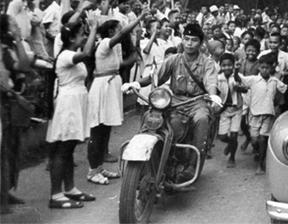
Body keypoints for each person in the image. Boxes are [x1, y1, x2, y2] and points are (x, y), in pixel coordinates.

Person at [128, 23, 219, 183]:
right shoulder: (174, 59)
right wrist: (137, 83)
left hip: (197, 101)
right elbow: (156, 76)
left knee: (202, 119)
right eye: (187, 39)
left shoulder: (207, 63)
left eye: (194, 40)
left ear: (201, 43)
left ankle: (192, 165)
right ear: (182, 40)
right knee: (167, 124)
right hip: (175, 101)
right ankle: (162, 161)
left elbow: (210, 81)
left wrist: (213, 96)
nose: (189, 43)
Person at [86, 12, 146, 185]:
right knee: (97, 130)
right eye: (118, 29)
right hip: (103, 87)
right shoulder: (105, 43)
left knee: (105, 129)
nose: (121, 31)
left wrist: (133, 56)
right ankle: (92, 170)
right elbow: (123, 33)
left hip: (111, 86)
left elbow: (119, 64)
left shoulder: (112, 48)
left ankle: (98, 167)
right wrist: (140, 17)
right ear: (111, 31)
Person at [47, 14, 99, 209]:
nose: (84, 37)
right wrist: (94, 27)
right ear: (71, 39)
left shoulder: (70, 54)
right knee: (63, 150)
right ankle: (56, 195)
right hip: (68, 105)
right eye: (81, 35)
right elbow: (86, 54)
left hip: (76, 103)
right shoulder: (66, 55)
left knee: (69, 149)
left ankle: (69, 188)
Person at [0, 15, 34, 214]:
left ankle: (6, 191)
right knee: (5, 152)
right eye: (13, 23)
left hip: (10, 104)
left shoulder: (8, 46)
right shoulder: (4, 49)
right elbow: (22, 65)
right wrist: (20, 39)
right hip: (5, 103)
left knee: (12, 149)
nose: (17, 25)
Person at [240, 53, 288, 175]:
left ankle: (261, 163)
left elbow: (283, 91)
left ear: (271, 68)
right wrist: (236, 69)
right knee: (254, 139)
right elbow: (240, 80)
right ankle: (257, 151)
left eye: (267, 67)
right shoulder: (254, 80)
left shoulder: (274, 81)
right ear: (259, 68)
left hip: (268, 114)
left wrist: (277, 104)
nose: (265, 70)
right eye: (262, 67)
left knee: (263, 138)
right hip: (255, 113)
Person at [215, 53, 246, 168]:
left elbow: (246, 89)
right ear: (220, 66)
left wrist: (240, 88)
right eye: (224, 65)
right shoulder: (218, 79)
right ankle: (230, 144)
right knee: (223, 136)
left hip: (236, 109)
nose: (227, 67)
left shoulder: (238, 76)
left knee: (234, 135)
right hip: (224, 110)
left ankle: (232, 157)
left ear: (233, 65)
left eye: (229, 65)